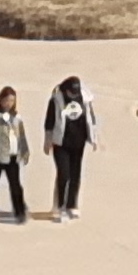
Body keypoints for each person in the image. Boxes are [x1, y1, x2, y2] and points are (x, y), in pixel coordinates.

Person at [45, 75, 97, 219]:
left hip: (78, 142)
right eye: (71, 93)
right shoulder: (56, 100)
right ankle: (59, 206)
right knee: (64, 174)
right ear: (65, 90)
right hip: (60, 142)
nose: (73, 95)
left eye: (75, 93)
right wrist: (47, 141)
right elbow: (49, 122)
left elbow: (91, 119)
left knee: (75, 175)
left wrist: (94, 139)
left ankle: (72, 205)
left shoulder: (85, 99)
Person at [0, 86, 32, 223]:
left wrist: (25, 151)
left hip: (12, 155)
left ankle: (19, 211)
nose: (9, 103)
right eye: (7, 100)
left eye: (12, 101)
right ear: (0, 100)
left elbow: (21, 136)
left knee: (15, 185)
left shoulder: (16, 117)